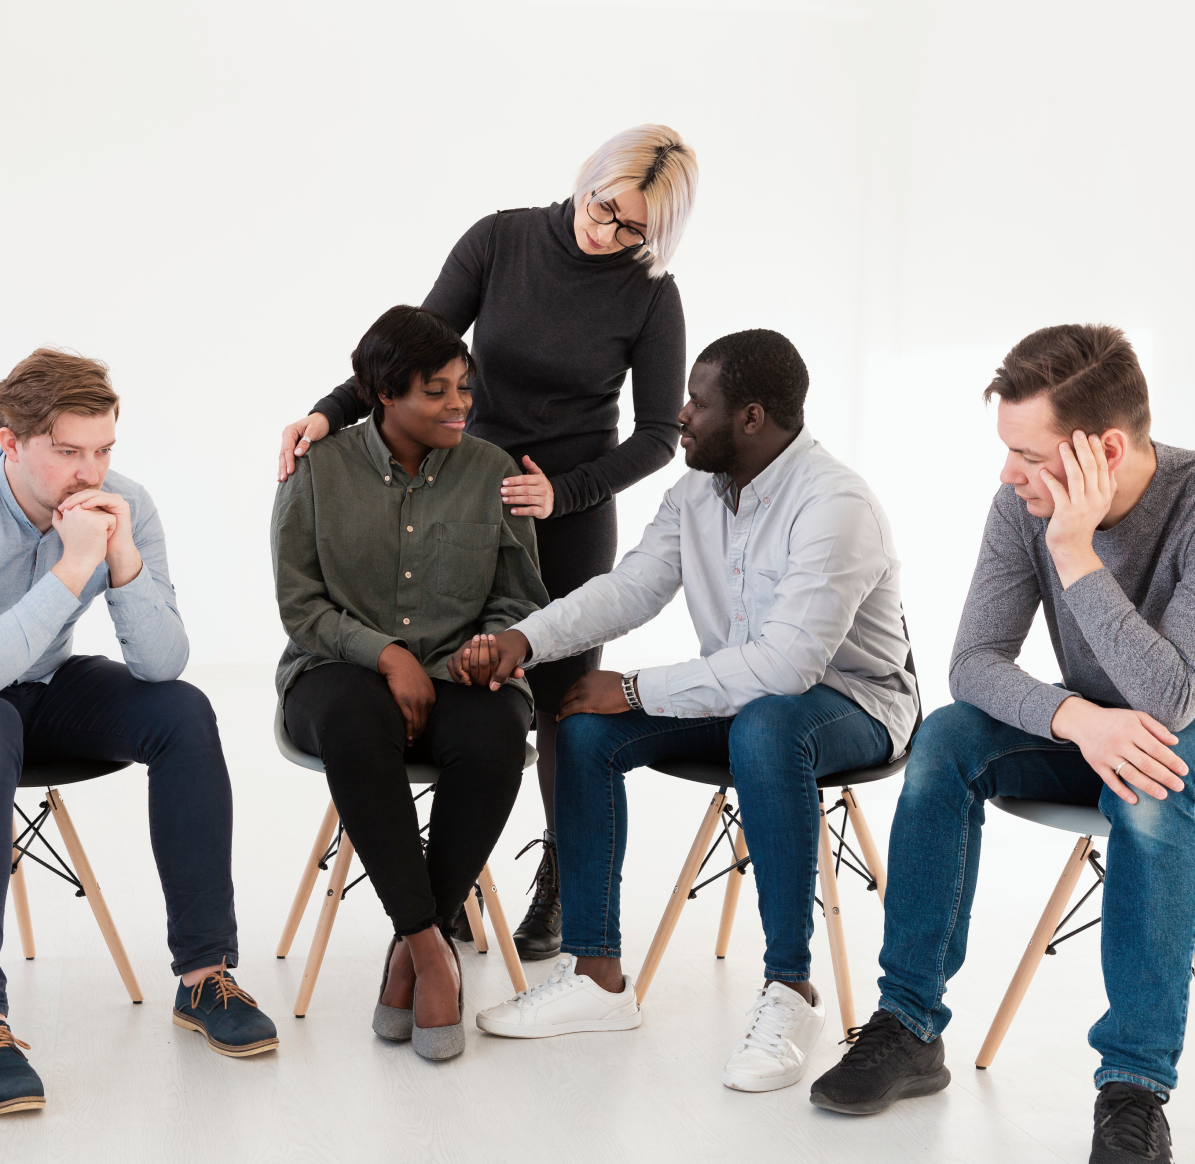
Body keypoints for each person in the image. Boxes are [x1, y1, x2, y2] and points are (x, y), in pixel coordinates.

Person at [808, 325, 1195, 1164]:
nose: (1008, 476)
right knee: (949, 735)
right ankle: (910, 1023)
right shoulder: (1020, 504)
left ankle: (1135, 1089)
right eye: (1008, 452)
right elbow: (971, 663)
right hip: (1102, 723)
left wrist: (1074, 552)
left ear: (1104, 448)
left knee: (1152, 780)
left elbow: (1171, 698)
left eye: (1029, 456)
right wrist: (1076, 718)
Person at [274, 126, 699, 959]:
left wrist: (562, 492)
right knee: (455, 670)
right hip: (461, 488)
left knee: (560, 706)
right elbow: (415, 349)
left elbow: (657, 434)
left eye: (630, 229)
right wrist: (329, 411)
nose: (604, 232)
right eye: (602, 207)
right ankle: (449, 878)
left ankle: (561, 879)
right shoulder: (500, 239)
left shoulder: (651, 294)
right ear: (588, 178)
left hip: (567, 509)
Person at [465, 330, 917, 1094]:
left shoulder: (835, 504)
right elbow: (630, 588)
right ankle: (599, 976)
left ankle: (789, 989)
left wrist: (637, 688)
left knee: (769, 723)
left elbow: (787, 667)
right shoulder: (697, 492)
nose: (679, 415)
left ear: (750, 416)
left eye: (697, 402)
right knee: (581, 721)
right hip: (743, 698)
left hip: (854, 702)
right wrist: (525, 639)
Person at [0, 347, 276, 1116]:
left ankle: (204, 973)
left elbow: (162, 662)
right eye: (69, 452)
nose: (91, 473)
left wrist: (122, 563)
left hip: (31, 687)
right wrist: (72, 569)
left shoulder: (124, 502)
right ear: (11, 441)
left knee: (184, 711)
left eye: (105, 449)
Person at [273, 304, 549, 1061]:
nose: (460, 403)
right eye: (437, 390)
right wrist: (385, 653)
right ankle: (432, 950)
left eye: (464, 386)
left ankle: (407, 943)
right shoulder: (316, 469)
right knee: (358, 723)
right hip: (337, 672)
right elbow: (301, 605)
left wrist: (493, 644)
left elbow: (519, 595)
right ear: (383, 394)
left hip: (458, 673)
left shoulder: (494, 471)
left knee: (497, 735)